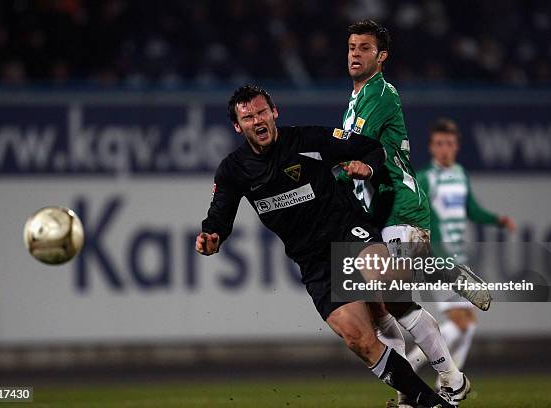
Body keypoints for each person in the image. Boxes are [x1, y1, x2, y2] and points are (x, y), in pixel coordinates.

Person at [196, 84, 458, 408]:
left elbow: (369, 147)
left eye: (262, 112)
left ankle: (448, 360)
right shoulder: (234, 170)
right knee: (359, 339)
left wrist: (369, 167)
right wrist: (211, 236)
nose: (258, 120)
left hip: (347, 231)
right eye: (248, 117)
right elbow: (219, 217)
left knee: (384, 283)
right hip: (314, 262)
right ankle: (427, 401)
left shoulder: (309, 140)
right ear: (238, 126)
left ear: (274, 112)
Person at [339, 20, 472, 407]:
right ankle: (407, 393)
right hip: (377, 215)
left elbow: (354, 149)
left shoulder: (379, 93)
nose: (355, 54)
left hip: (399, 205)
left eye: (365, 48)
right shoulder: (356, 98)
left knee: (395, 300)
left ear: (381, 57)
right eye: (351, 47)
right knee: (376, 308)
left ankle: (451, 376)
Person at [407, 118, 516, 376]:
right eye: (439, 144)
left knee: (469, 324)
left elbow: (472, 211)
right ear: (432, 147)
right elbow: (420, 218)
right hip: (436, 259)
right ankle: (415, 367)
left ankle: (449, 383)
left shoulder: (460, 175)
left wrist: (497, 220)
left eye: (449, 144)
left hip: (458, 257)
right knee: (460, 323)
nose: (444, 148)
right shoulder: (424, 178)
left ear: (457, 147)